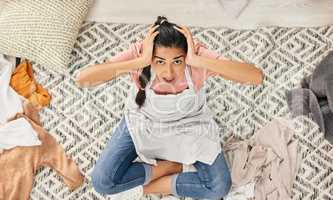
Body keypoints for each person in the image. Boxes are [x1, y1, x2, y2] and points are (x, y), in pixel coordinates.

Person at [76, 16, 263, 200]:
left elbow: (256, 77)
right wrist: (138, 62)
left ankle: (149, 187)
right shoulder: (140, 53)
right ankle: (171, 166)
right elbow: (83, 79)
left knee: (219, 187)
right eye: (159, 61)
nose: (168, 72)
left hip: (189, 127)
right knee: (102, 182)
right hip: (142, 123)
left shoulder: (196, 55)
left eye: (177, 61)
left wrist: (197, 60)